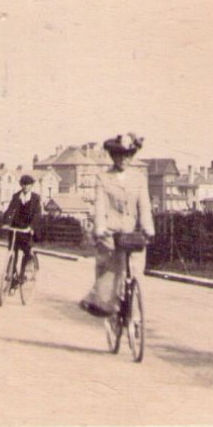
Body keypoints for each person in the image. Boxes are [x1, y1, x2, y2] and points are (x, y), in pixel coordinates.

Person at [79, 132, 155, 317]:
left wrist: (148, 228)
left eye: (128, 155)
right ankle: (105, 304)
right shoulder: (103, 178)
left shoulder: (139, 179)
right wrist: (100, 228)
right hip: (110, 233)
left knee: (135, 272)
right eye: (120, 155)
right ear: (113, 156)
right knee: (112, 266)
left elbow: (144, 206)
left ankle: (134, 313)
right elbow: (100, 205)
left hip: (130, 234)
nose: (124, 159)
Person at [2, 174, 42, 283]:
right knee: (12, 251)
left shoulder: (35, 198)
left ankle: (24, 273)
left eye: (28, 185)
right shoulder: (16, 196)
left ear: (31, 186)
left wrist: (31, 227)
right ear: (21, 185)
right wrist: (6, 222)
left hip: (27, 228)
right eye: (23, 184)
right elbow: (10, 210)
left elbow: (37, 214)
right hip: (16, 227)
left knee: (27, 251)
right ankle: (12, 274)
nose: (25, 187)